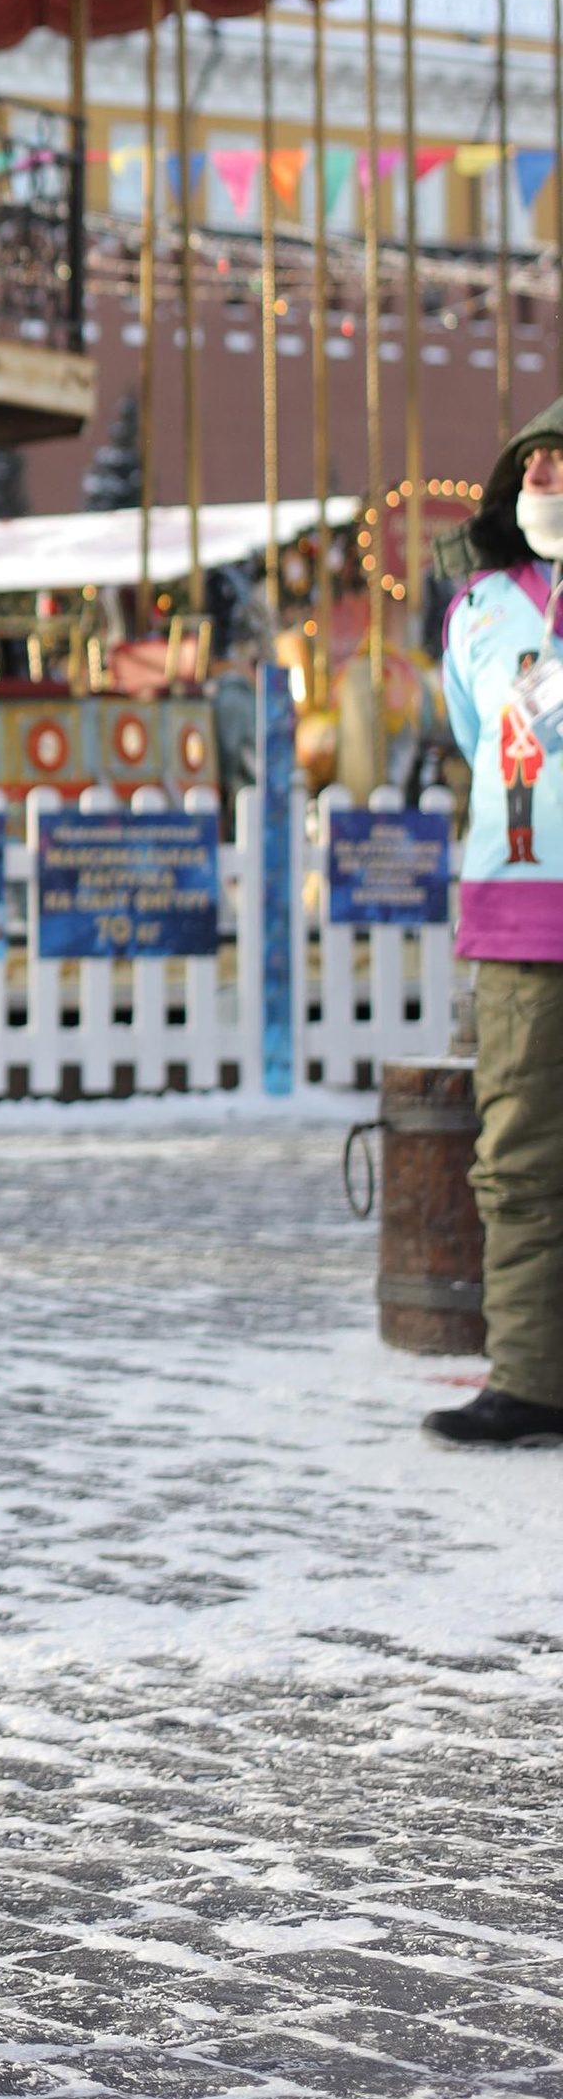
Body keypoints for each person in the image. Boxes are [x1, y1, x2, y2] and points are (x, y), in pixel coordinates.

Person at [434, 403, 563, 1445]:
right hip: (518, 917)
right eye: (535, 462)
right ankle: (527, 1378)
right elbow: (472, 736)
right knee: (516, 1156)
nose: (548, 479)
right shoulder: (476, 607)